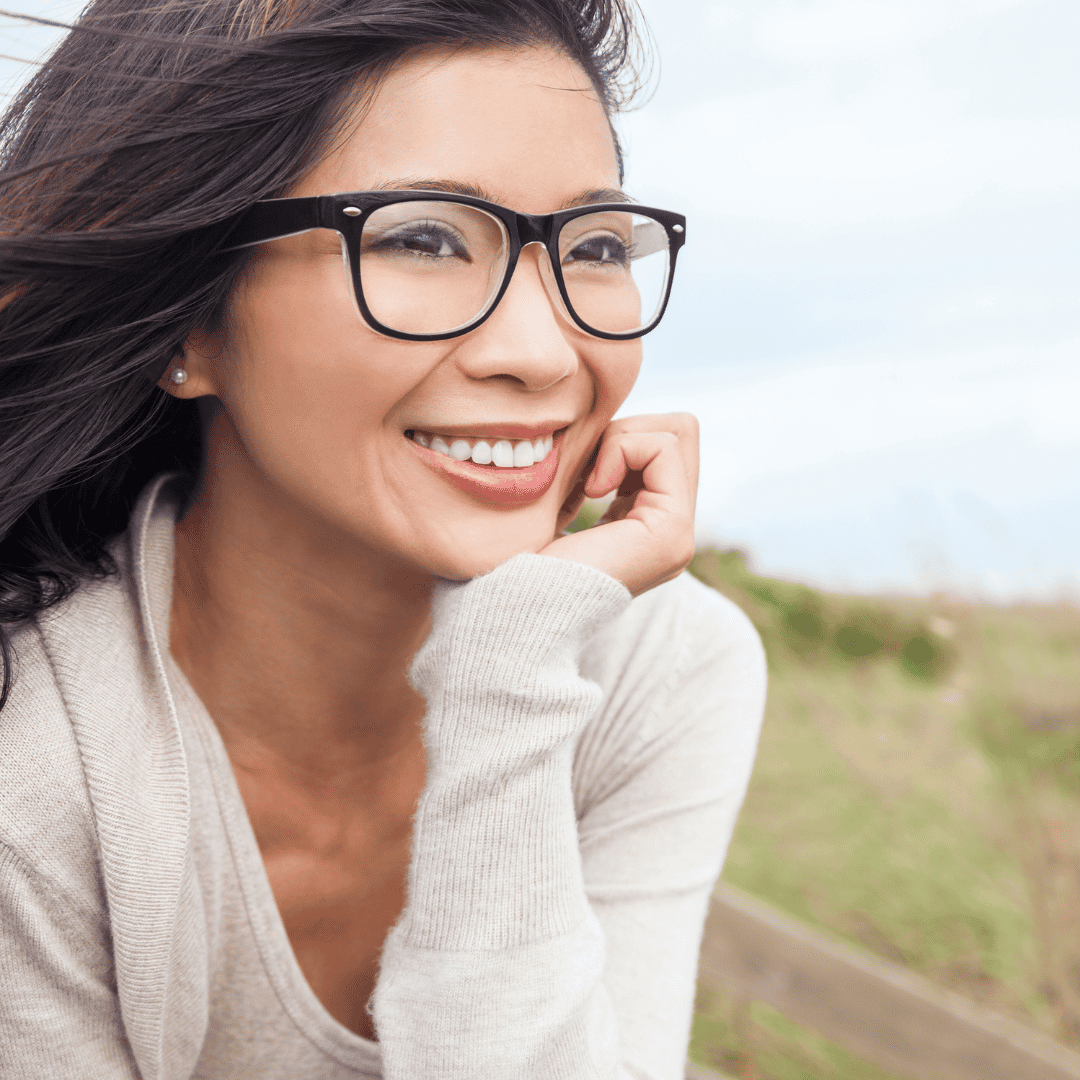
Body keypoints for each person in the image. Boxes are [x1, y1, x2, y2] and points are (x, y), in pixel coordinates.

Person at [0, 1, 766, 1077]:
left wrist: (508, 671)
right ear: (189, 324)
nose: (544, 352)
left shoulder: (657, 666)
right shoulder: (36, 752)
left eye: (592, 246)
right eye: (420, 238)